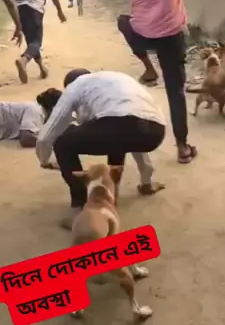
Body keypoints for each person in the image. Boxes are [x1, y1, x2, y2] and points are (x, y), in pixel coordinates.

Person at [81, 0, 201, 164]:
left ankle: (148, 67)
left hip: (143, 34)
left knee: (123, 21)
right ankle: (182, 147)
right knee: (175, 92)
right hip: (172, 34)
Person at [36, 68, 166, 229]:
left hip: (120, 124)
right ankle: (121, 194)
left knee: (63, 142)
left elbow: (49, 132)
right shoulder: (116, 79)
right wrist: (146, 178)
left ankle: (81, 210)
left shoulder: (75, 86)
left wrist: (44, 159)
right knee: (117, 139)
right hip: (155, 131)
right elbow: (133, 129)